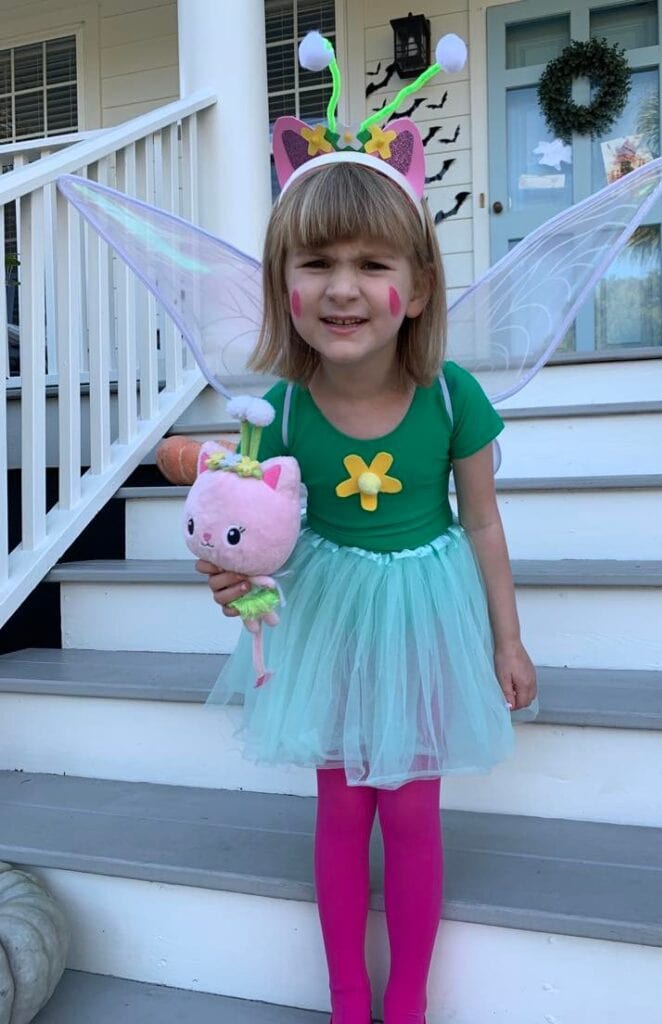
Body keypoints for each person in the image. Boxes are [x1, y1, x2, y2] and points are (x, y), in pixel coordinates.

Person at [196, 153, 537, 1024]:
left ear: (417, 290)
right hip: (330, 618)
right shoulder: (285, 408)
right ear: (283, 288)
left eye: (372, 265)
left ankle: (409, 1000)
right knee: (342, 808)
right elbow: (262, 530)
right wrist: (238, 578)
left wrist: (507, 638)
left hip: (424, 617)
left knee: (414, 812)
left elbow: (485, 523)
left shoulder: (451, 397)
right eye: (317, 264)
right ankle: (350, 1000)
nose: (342, 289)